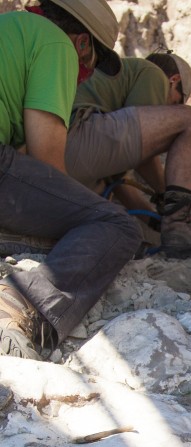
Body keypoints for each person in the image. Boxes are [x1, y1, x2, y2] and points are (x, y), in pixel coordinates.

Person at [0, 0, 141, 361]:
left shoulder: (11, 28)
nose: (89, 74)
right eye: (94, 62)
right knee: (117, 226)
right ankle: (14, 304)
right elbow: (47, 163)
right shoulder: (56, 43)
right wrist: (88, 208)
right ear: (82, 43)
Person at [65, 51, 191, 258]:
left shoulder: (115, 94)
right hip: (75, 136)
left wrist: (155, 220)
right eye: (176, 104)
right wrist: (172, 200)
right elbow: (144, 158)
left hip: (60, 152)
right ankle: (180, 226)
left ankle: (173, 226)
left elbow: (117, 180)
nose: (169, 112)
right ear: (173, 81)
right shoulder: (153, 74)